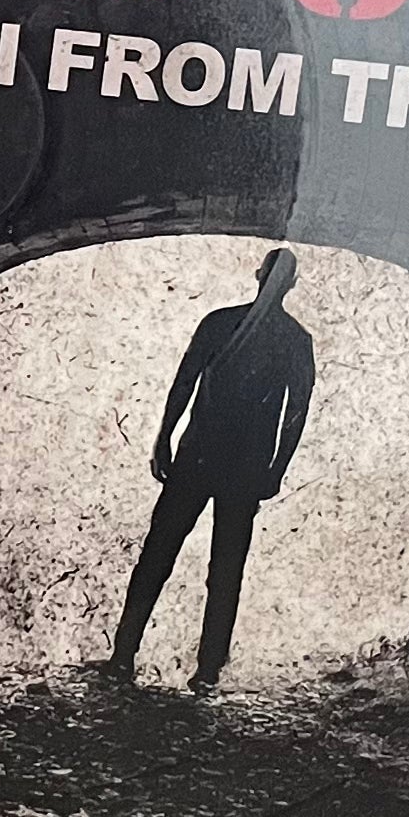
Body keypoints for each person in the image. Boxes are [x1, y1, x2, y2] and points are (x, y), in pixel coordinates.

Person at [105, 246, 318, 694]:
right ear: (292, 285)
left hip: (197, 455)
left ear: (258, 274)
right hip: (247, 468)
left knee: (157, 555)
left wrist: (163, 438)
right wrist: (277, 467)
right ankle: (208, 672)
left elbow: (184, 381)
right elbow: (295, 414)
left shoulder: (218, 322)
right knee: (226, 570)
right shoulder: (295, 339)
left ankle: (123, 656)